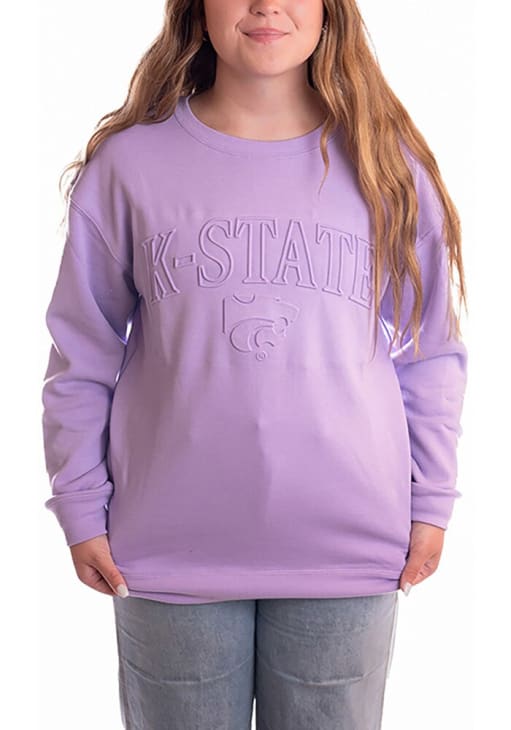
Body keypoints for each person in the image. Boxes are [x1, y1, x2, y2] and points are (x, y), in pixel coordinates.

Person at [40, 1, 469, 728]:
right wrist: (79, 503)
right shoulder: (130, 166)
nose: (266, 4)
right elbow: (82, 352)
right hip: (167, 545)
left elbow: (430, 349)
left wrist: (431, 498)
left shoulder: (385, 162)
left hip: (348, 544)